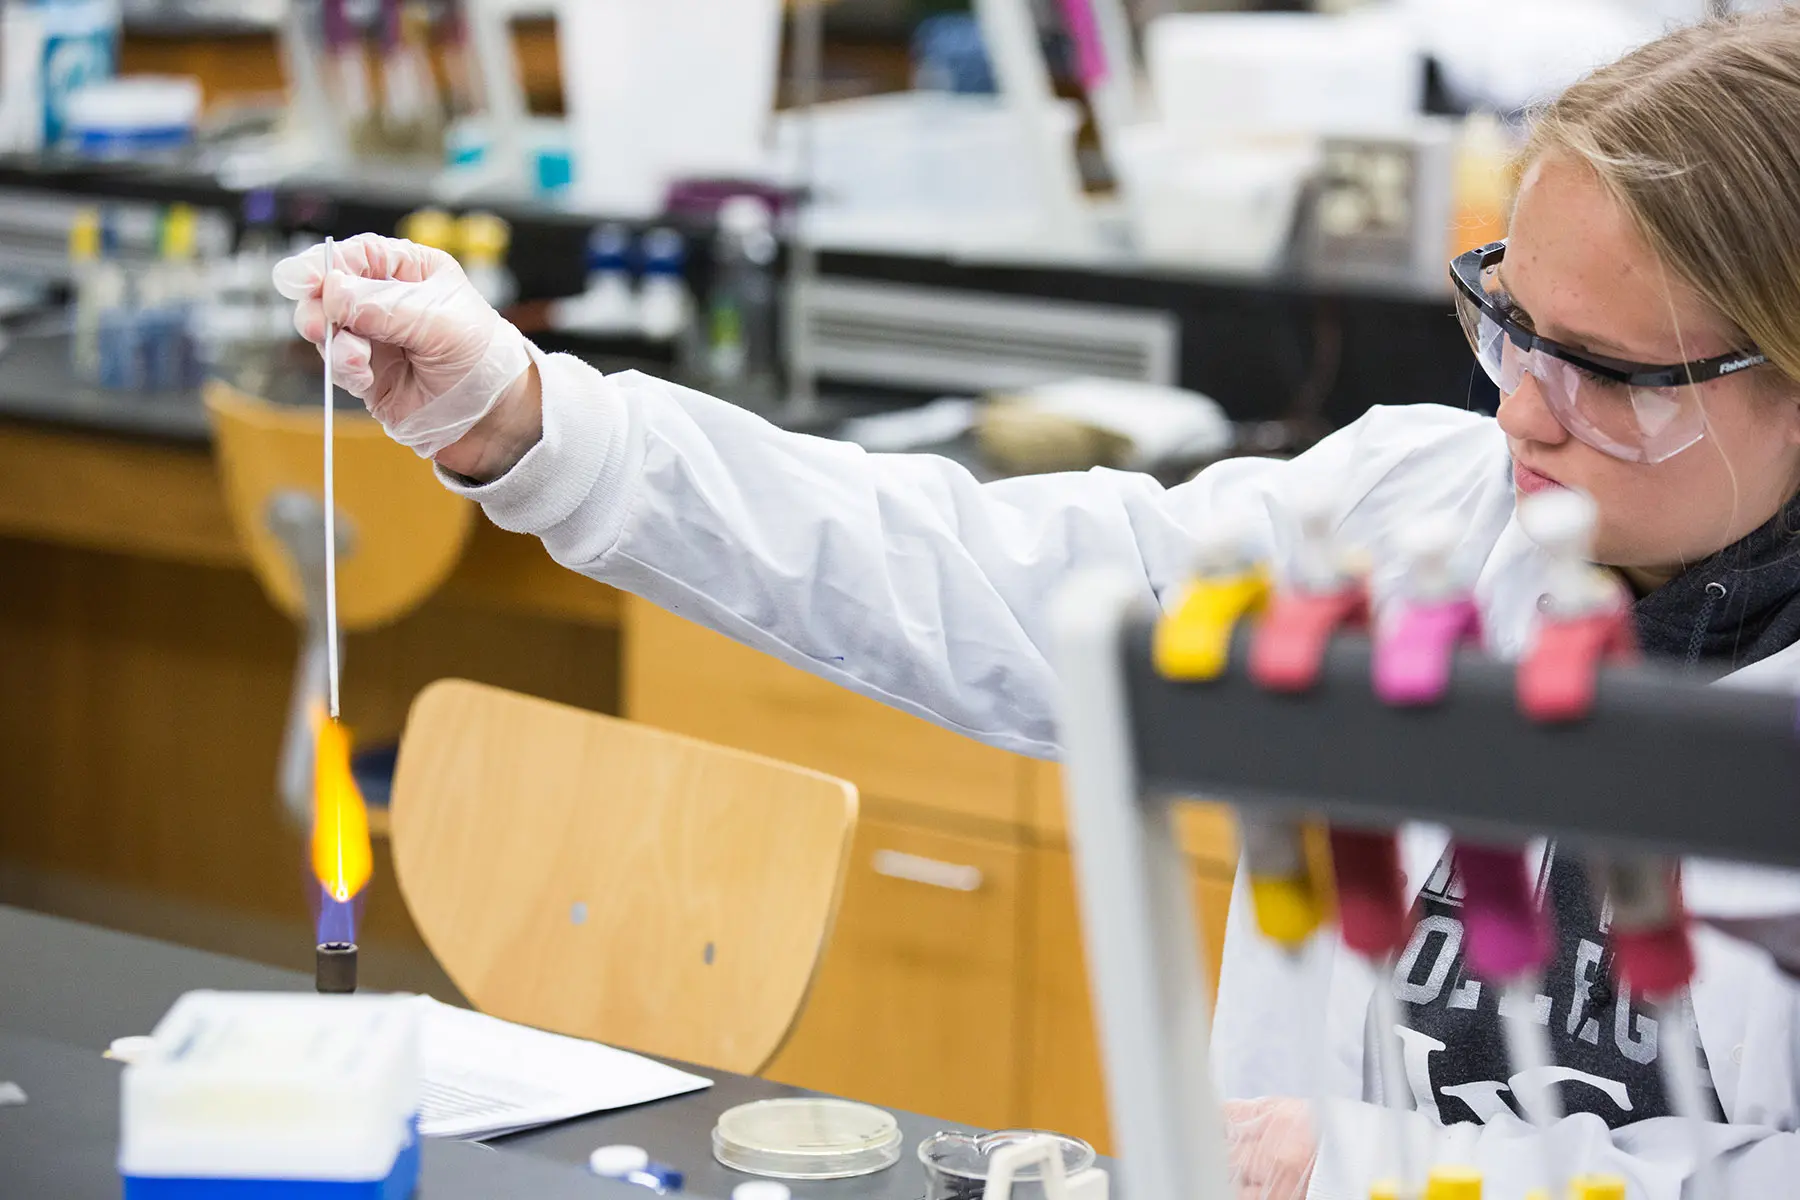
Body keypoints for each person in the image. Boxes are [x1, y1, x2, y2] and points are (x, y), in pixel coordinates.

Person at [275, 9, 1800, 1195]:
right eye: (1510, 327)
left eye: (1606, 373)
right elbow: (976, 577)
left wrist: (1364, 1170)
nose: (1524, 412)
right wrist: (541, 425)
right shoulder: (1412, 512)